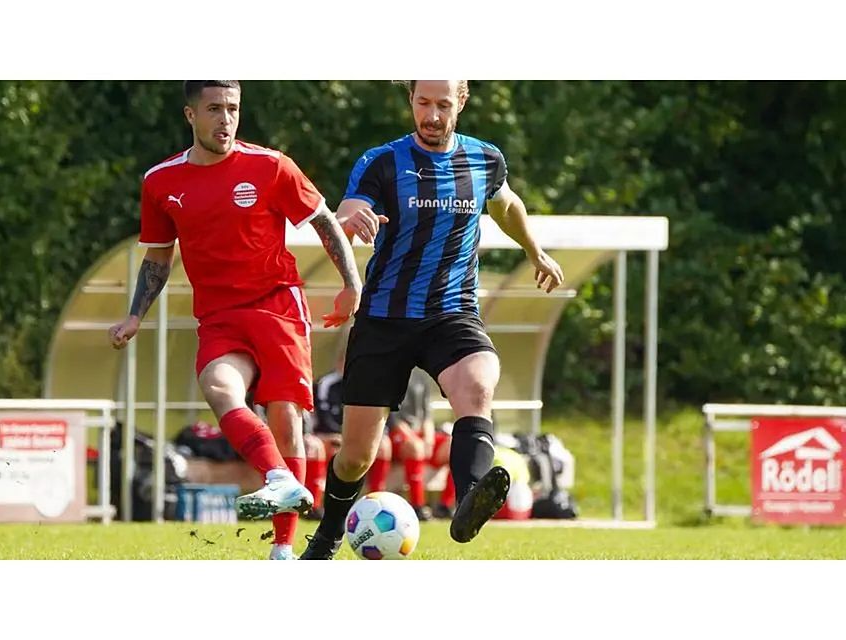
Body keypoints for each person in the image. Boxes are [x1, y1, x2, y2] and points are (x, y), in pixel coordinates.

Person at [301, 80, 564, 559]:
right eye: (423, 103)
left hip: (451, 310)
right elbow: (350, 209)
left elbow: (506, 205)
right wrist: (350, 220)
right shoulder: (381, 161)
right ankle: (328, 533)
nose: (433, 115)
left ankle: (469, 498)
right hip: (384, 317)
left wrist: (534, 250)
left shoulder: (485, 159)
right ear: (411, 101)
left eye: (443, 105)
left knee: (478, 382)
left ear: (461, 102)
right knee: (357, 453)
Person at [108, 81, 361, 560]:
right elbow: (158, 258)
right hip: (219, 316)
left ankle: (283, 550)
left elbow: (325, 221)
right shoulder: (160, 182)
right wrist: (134, 315)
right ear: (190, 115)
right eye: (214, 109)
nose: (225, 119)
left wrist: (352, 284)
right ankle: (280, 479)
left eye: (233, 109)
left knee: (286, 418)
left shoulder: (270, 166)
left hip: (277, 304)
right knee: (219, 388)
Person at [311, 330, 393, 511]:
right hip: (326, 435)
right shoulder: (326, 384)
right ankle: (317, 506)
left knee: (383, 444)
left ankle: (377, 501)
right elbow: (323, 417)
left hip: (353, 439)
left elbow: (384, 417)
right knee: (330, 447)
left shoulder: (371, 384)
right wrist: (341, 435)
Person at [383, 368, 455, 521]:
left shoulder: (421, 376)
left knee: (454, 446)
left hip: (420, 434)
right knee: (415, 447)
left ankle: (446, 506)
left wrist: (428, 438)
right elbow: (393, 418)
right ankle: (417, 506)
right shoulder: (389, 374)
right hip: (397, 434)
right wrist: (414, 438)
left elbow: (427, 413)